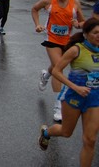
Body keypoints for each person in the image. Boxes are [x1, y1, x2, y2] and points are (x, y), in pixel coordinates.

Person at [38, 18, 99, 167]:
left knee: (90, 140)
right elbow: (57, 71)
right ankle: (46, 133)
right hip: (74, 96)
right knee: (66, 132)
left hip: (94, 99)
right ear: (85, 34)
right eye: (95, 32)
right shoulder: (76, 49)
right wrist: (76, 87)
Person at [32, 0, 86, 122]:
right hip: (51, 38)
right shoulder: (48, 1)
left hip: (67, 40)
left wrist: (78, 24)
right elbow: (34, 9)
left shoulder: (75, 4)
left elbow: (84, 23)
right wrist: (37, 25)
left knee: (57, 65)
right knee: (59, 68)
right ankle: (58, 106)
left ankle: (45, 75)